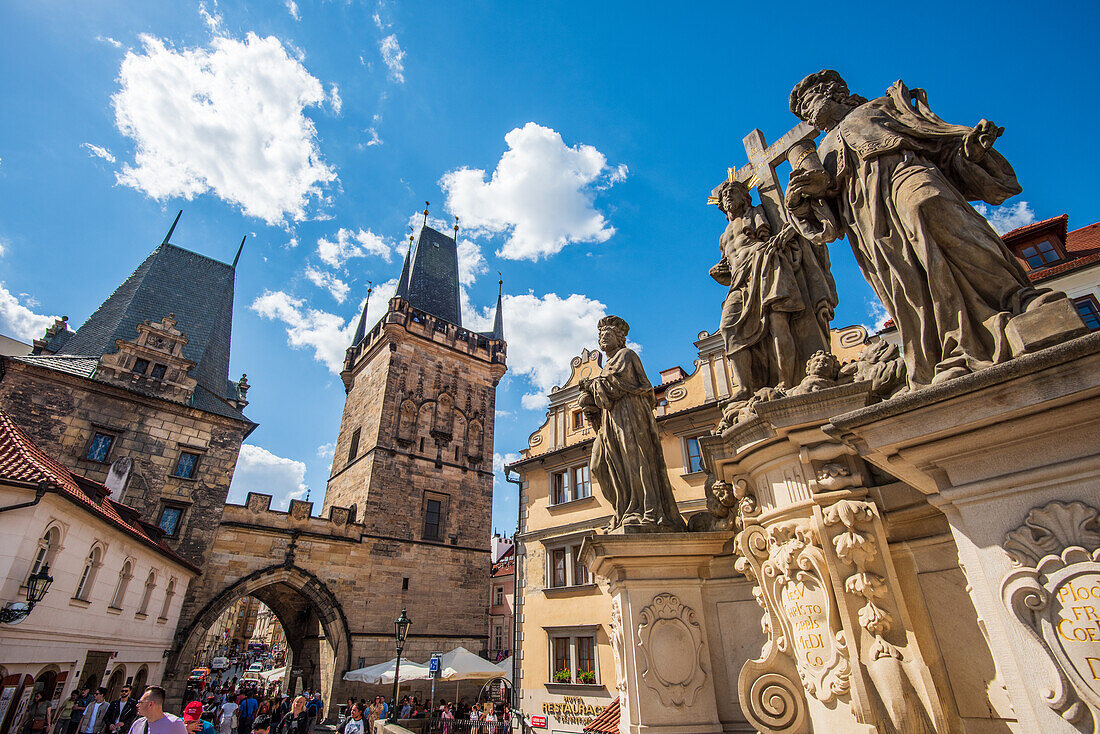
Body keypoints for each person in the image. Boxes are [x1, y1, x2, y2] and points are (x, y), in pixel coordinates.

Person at [785, 69, 1058, 389]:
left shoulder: (879, 107)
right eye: (802, 111)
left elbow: (936, 141)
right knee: (910, 277)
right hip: (867, 216)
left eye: (809, 103)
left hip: (906, 173)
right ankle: (953, 348)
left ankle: (1019, 301)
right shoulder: (822, 151)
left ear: (833, 92)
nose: (807, 115)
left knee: (947, 223)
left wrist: (969, 150)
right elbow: (828, 226)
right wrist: (799, 203)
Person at [578, 315, 687, 533]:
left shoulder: (626, 355)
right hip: (611, 420)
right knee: (600, 466)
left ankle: (645, 510)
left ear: (619, 338)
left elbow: (618, 385)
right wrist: (589, 396)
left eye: (607, 334)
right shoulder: (608, 364)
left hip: (629, 415)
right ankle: (623, 509)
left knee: (634, 461)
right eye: (600, 336)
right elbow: (605, 391)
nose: (602, 339)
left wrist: (592, 386)